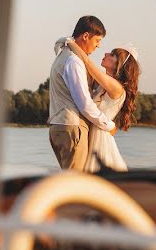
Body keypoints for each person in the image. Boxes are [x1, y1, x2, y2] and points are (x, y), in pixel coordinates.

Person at [48, 16, 117, 170]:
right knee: (76, 181)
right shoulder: (73, 61)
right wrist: (109, 125)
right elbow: (84, 104)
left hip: (59, 126)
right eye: (97, 40)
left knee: (69, 179)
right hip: (72, 127)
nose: (98, 46)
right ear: (86, 36)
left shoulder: (63, 55)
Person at [66, 38, 141, 172]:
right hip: (95, 132)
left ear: (119, 65)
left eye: (112, 55)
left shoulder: (116, 86)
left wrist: (71, 43)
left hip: (101, 137)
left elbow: (87, 63)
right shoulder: (104, 85)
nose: (106, 53)